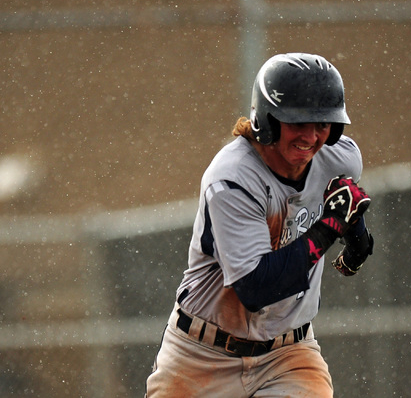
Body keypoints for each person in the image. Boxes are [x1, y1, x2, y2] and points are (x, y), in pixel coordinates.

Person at [145, 52, 374, 397]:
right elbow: (256, 289)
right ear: (268, 120)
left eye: (322, 123)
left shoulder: (339, 158)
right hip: (201, 357)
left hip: (288, 355)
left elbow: (344, 199)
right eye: (298, 122)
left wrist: (357, 237)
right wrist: (330, 227)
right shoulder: (232, 179)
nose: (311, 137)